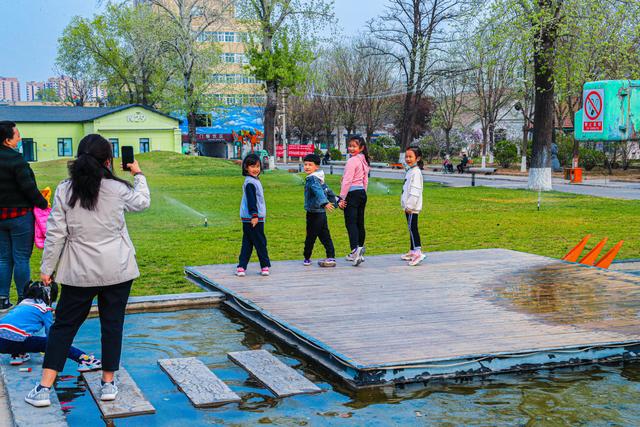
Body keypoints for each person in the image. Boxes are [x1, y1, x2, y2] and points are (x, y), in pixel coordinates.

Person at [25, 134, 150, 408]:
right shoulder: (117, 188)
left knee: (63, 328)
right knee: (112, 325)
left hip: (78, 272)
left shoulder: (64, 189)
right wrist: (138, 174)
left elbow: (56, 233)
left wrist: (47, 270)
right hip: (117, 269)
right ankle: (108, 383)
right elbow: (142, 202)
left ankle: (44, 388)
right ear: (108, 160)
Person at [1, 281, 101, 379]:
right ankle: (84, 359)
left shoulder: (21, 305)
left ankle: (17, 354)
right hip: (16, 341)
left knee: (22, 336)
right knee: (57, 342)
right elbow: (52, 335)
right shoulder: (44, 310)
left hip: (2, 343)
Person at [0, 121, 49, 310]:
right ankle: (23, 297)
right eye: (17, 135)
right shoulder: (17, 160)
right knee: (21, 257)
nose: (19, 138)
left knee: (4, 258)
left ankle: (2, 298)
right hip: (20, 216)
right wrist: (43, 203)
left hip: (1, 218)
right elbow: (28, 188)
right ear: (7, 140)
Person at [236, 153, 271, 277]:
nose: (256, 169)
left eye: (257, 166)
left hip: (248, 218)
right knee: (260, 242)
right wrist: (255, 215)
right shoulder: (251, 182)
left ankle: (241, 267)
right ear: (246, 167)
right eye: (252, 166)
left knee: (248, 242)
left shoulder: (253, 180)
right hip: (254, 218)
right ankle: (265, 266)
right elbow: (252, 200)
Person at [338, 136, 371, 266]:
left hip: (352, 194)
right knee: (359, 222)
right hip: (361, 193)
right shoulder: (363, 160)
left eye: (354, 146)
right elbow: (365, 181)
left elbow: (347, 180)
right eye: (350, 145)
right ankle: (359, 249)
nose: (351, 148)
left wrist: (342, 197)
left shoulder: (352, 161)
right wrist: (363, 192)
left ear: (361, 148)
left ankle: (355, 251)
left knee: (351, 223)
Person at [302, 154, 337, 268]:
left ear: (316, 166)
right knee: (324, 235)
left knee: (311, 236)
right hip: (321, 213)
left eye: (310, 165)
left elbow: (318, 191)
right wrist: (336, 201)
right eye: (305, 164)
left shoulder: (312, 179)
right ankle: (331, 256)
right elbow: (327, 190)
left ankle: (307, 258)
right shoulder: (319, 177)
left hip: (314, 213)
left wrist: (325, 202)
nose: (307, 167)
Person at [400, 147, 426, 266]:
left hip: (412, 208)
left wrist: (410, 206)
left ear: (418, 158)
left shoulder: (416, 172)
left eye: (411, 157)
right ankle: (412, 250)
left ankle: (418, 252)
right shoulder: (411, 170)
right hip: (408, 207)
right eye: (406, 156)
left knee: (413, 228)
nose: (408, 159)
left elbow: (415, 191)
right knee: (410, 228)